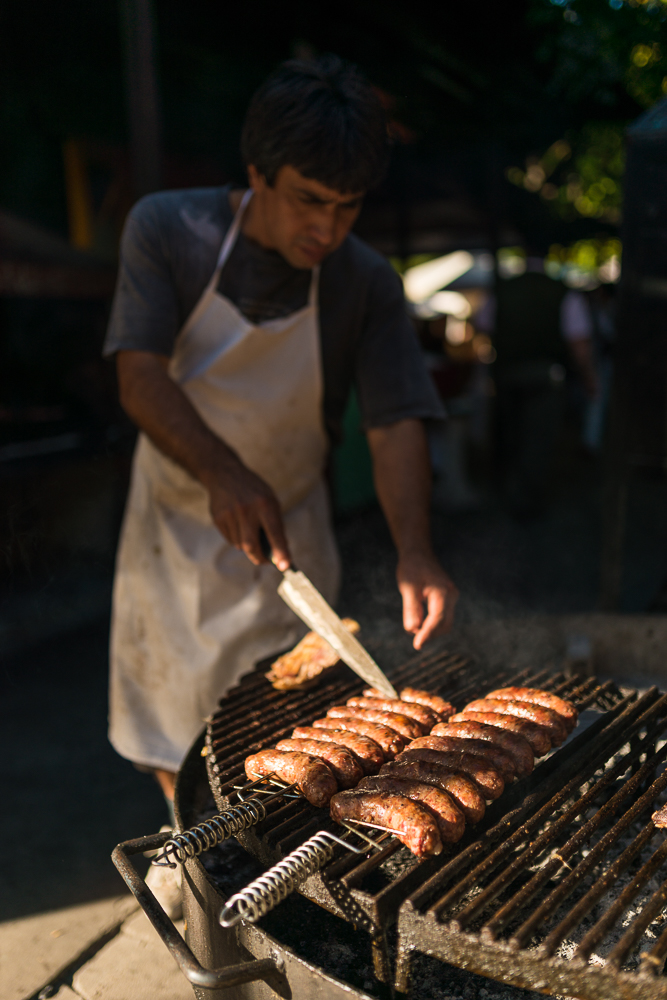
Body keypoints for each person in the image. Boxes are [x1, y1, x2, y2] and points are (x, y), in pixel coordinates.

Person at [104, 56, 458, 819]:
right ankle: (192, 855)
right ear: (258, 172)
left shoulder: (365, 281)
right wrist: (222, 473)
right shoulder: (167, 229)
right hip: (174, 537)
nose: (326, 228)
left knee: (296, 743)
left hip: (293, 546)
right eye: (308, 200)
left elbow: (394, 421)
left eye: (348, 206)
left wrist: (415, 549)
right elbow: (139, 377)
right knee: (175, 737)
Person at [476, 253, 598, 516]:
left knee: (512, 432)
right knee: (537, 437)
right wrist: (589, 378)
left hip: (507, 372)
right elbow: (578, 343)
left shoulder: (503, 289)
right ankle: (525, 501)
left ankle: (508, 493)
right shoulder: (561, 292)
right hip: (546, 374)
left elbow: (483, 326)